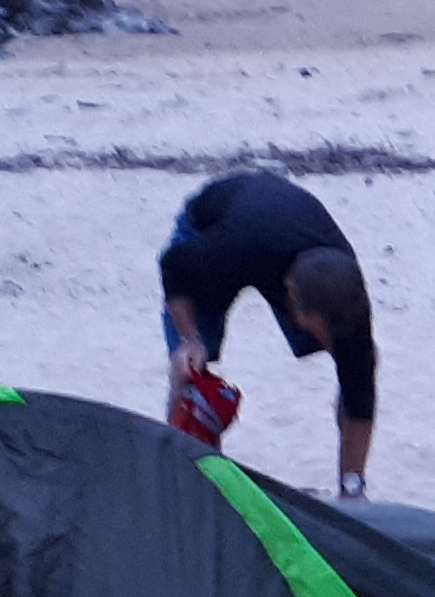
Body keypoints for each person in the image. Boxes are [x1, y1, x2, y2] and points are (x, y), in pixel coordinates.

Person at [158, 171, 377, 497]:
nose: (325, 340)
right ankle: (191, 481)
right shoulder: (225, 253)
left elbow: (360, 393)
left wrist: (352, 486)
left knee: (355, 360)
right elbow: (173, 266)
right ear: (289, 295)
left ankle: (351, 487)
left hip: (281, 229)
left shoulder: (347, 291)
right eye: (316, 329)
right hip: (215, 219)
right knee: (191, 371)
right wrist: (190, 339)